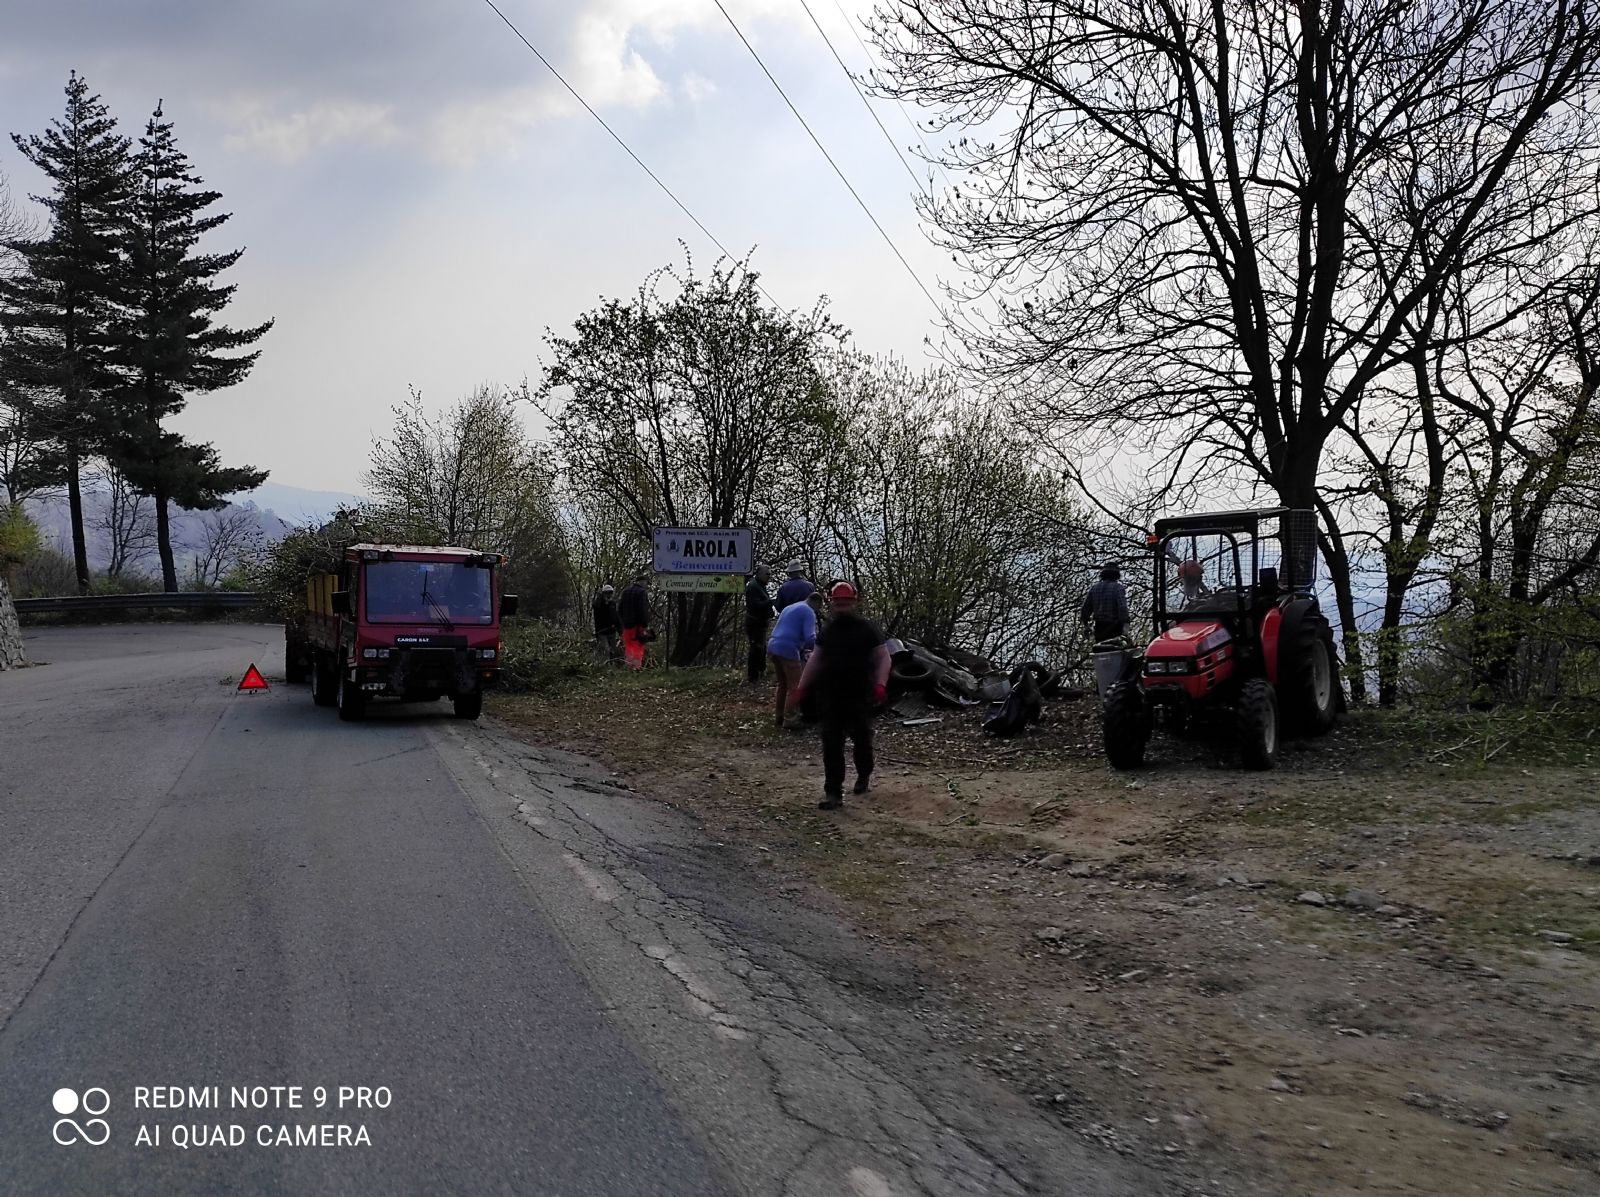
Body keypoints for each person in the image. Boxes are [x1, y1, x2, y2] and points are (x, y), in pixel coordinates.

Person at [788, 581, 890, 810]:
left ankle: (864, 775)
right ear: (832, 604)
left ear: (855, 603)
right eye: (838, 603)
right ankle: (833, 792)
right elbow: (816, 659)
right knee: (831, 744)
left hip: (860, 694)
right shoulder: (828, 631)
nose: (842, 607)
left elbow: (883, 657)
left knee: (862, 740)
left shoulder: (868, 629)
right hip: (831, 695)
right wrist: (802, 688)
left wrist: (880, 685)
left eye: (846, 603)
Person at [766, 589, 821, 728]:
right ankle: (791, 719)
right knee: (795, 686)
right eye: (819, 607)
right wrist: (818, 650)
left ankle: (779, 716)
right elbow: (810, 637)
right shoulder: (808, 611)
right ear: (817, 603)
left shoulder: (790, 607)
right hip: (788, 648)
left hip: (773, 645)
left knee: (782, 684)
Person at [1080, 562, 1129, 644]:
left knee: (1100, 648)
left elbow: (1085, 609)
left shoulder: (1094, 588)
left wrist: (1086, 625)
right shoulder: (1118, 588)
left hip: (1099, 627)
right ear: (1117, 575)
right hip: (1115, 627)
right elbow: (1122, 607)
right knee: (1115, 649)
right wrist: (1126, 624)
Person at [744, 564, 775, 684]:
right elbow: (755, 605)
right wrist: (770, 602)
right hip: (755, 622)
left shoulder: (760, 586)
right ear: (759, 574)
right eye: (767, 574)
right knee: (756, 648)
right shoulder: (753, 586)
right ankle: (753, 676)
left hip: (760, 622)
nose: (769, 576)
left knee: (761, 648)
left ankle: (760, 671)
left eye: (770, 574)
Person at [618, 574, 651, 669]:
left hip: (627, 626)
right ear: (643, 582)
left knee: (628, 646)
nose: (647, 586)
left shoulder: (625, 592)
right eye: (647, 583)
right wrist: (645, 624)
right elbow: (642, 610)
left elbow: (620, 609)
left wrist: (623, 621)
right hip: (639, 625)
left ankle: (629, 666)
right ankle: (636, 668)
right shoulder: (642, 592)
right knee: (638, 647)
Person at [592, 583, 622, 665]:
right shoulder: (598, 604)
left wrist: (620, 631)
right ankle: (605, 667)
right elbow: (595, 606)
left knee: (613, 651)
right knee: (606, 650)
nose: (609, 595)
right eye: (607, 593)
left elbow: (616, 617)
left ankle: (612, 667)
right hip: (602, 632)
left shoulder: (612, 604)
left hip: (612, 631)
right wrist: (603, 601)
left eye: (610, 593)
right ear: (603, 593)